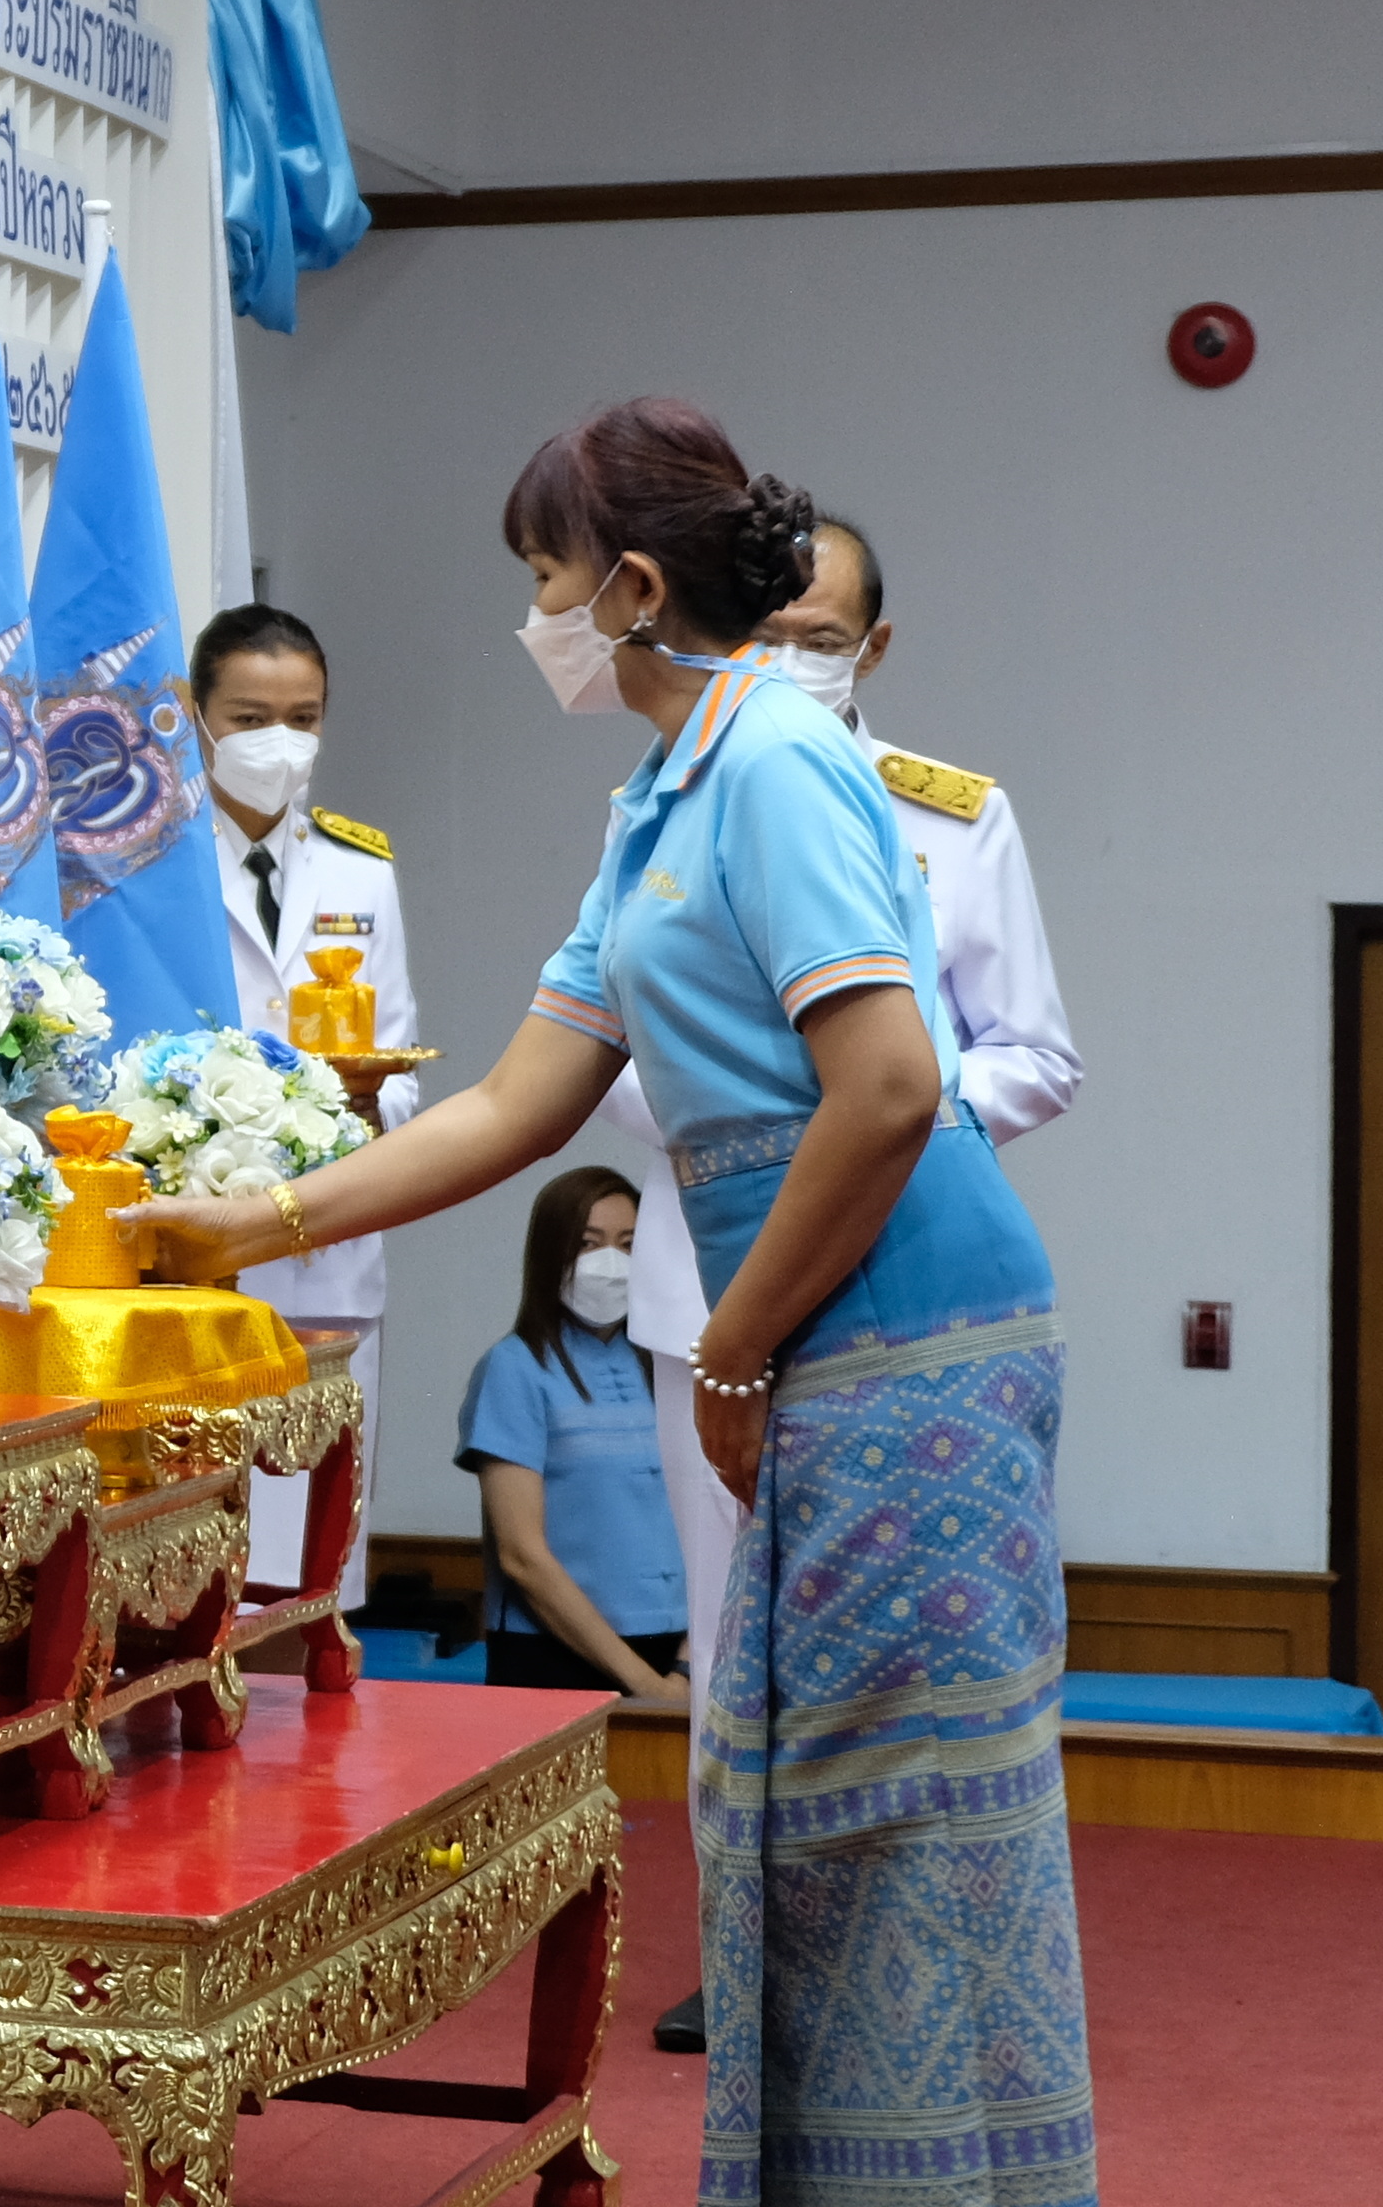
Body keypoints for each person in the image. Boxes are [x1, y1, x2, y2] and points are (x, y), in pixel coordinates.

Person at [129, 399, 1096, 2207]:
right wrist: (247, 1226)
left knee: (899, 1821)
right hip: (813, 1333)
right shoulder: (659, 791)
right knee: (793, 1811)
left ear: (634, 584)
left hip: (907, 1344)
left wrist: (732, 1351)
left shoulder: (781, 762)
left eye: (546, 578)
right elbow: (519, 1100)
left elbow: (889, 1089)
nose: (537, 619)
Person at [613, 509, 1083, 2051]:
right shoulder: (661, 798)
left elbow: (1027, 1054)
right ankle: (736, 1947)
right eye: (775, 628)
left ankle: (902, 1971)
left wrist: (898, 1108)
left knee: (895, 1662)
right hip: (714, 1281)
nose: (793, 656)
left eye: (824, 637)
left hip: (890, 1277)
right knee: (724, 1644)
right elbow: (603, 1057)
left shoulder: (951, 813)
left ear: (871, 648)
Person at [190, 601, 418, 1588]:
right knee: (192, 1548)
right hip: (198, 1247)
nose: (279, 740)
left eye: (304, 715)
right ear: (194, 712)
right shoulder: (150, 867)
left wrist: (367, 1110)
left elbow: (399, 1063)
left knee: (313, 1562)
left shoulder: (360, 867)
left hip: (328, 1248)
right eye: (249, 717)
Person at [457, 1166, 688, 1701]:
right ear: (551, 1254)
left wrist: (686, 1667)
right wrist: (643, 1685)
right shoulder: (513, 1369)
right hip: (554, 1655)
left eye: (630, 1245)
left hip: (677, 1654)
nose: (612, 1263)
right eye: (589, 1244)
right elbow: (522, 1556)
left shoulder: (670, 1369)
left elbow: (715, 1523)